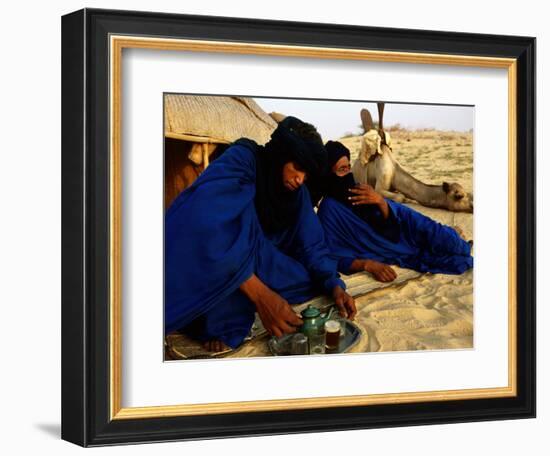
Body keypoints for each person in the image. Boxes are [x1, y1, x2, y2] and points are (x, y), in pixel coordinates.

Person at [165, 118, 356, 352]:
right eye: (297, 167)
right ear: (280, 154)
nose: (300, 179)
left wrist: (334, 284)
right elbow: (203, 223)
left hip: (262, 261)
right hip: (220, 256)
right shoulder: (243, 161)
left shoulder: (297, 193)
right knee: (217, 301)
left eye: (306, 174)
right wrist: (261, 295)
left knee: (308, 279)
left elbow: (313, 244)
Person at [315, 141, 473, 282]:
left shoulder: (358, 190)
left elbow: (392, 221)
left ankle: (455, 237)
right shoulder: (329, 211)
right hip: (393, 248)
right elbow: (332, 255)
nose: (349, 174)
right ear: (329, 174)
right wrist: (367, 264)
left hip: (406, 228)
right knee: (459, 261)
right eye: (342, 169)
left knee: (455, 245)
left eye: (349, 167)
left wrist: (380, 201)